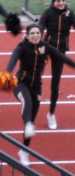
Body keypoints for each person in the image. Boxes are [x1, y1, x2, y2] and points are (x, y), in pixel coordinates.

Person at [6, 24, 75, 166]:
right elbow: (13, 59)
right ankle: (28, 124)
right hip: (20, 84)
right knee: (27, 103)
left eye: (38, 33)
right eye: (32, 33)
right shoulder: (22, 47)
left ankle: (24, 151)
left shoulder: (45, 46)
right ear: (27, 35)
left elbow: (62, 57)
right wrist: (7, 72)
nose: (36, 35)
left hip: (36, 87)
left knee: (32, 115)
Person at [38, 0, 75, 130]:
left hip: (60, 51)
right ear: (53, 2)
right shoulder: (48, 13)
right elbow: (41, 26)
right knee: (37, 76)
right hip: (47, 48)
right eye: (58, 1)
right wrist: (36, 37)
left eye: (63, 1)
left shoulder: (70, 14)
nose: (61, 3)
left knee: (55, 83)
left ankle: (51, 114)